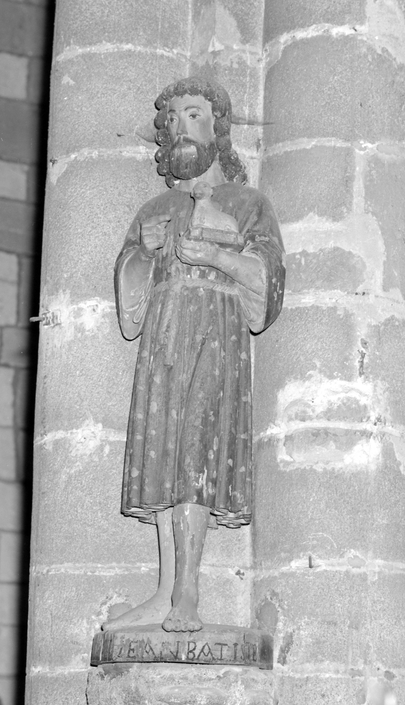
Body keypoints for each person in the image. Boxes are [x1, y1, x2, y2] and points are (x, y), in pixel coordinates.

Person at [107, 76, 285, 633]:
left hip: (215, 332)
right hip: (164, 335)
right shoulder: (155, 207)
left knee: (195, 451)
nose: (181, 127)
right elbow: (130, 309)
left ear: (218, 128)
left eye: (194, 115)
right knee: (162, 448)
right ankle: (165, 590)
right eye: (173, 119)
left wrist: (217, 255)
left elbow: (267, 285)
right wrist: (143, 252)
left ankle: (188, 590)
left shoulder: (248, 203)